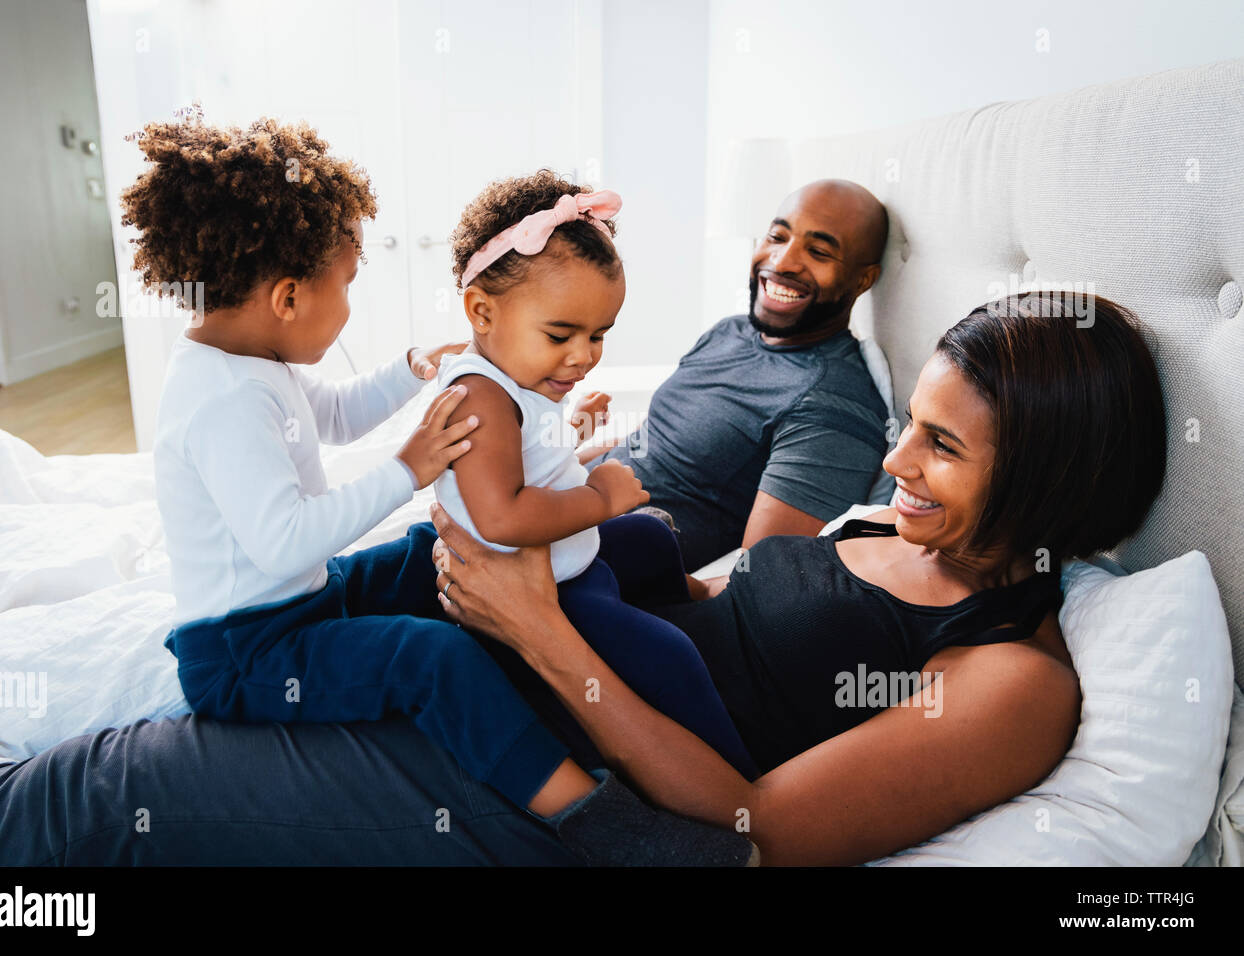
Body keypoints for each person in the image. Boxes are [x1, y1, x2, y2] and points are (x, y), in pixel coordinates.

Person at [124, 110, 755, 866]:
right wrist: (410, 469)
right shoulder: (222, 402)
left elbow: (331, 417)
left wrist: (410, 366)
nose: (351, 303)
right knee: (432, 660)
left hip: (295, 601)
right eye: (347, 285)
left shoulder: (251, 362)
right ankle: (595, 819)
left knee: (429, 550)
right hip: (246, 654)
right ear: (288, 297)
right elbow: (283, 538)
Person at [433, 291, 1167, 865]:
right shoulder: (890, 523)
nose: (895, 464)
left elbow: (760, 828)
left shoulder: (1015, 682)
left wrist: (538, 632)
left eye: (940, 445)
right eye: (911, 423)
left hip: (542, 776)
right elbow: (727, 609)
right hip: (534, 661)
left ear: (1046, 480)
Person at [432, 170, 759, 779]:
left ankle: (696, 600)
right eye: (562, 334)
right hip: (539, 588)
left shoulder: (517, 376)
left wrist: (570, 429)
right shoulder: (478, 395)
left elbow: (529, 453)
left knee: (655, 536)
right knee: (670, 657)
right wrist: (601, 495)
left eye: (599, 335)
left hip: (571, 556)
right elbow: (503, 519)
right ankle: (741, 786)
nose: (583, 355)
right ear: (481, 310)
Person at [580, 179, 894, 573]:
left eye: (817, 251)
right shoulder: (731, 331)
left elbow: (756, 583)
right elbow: (653, 440)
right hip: (551, 512)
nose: (782, 262)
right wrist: (550, 466)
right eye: (777, 236)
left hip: (592, 570)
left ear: (863, 279)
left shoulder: (831, 405)